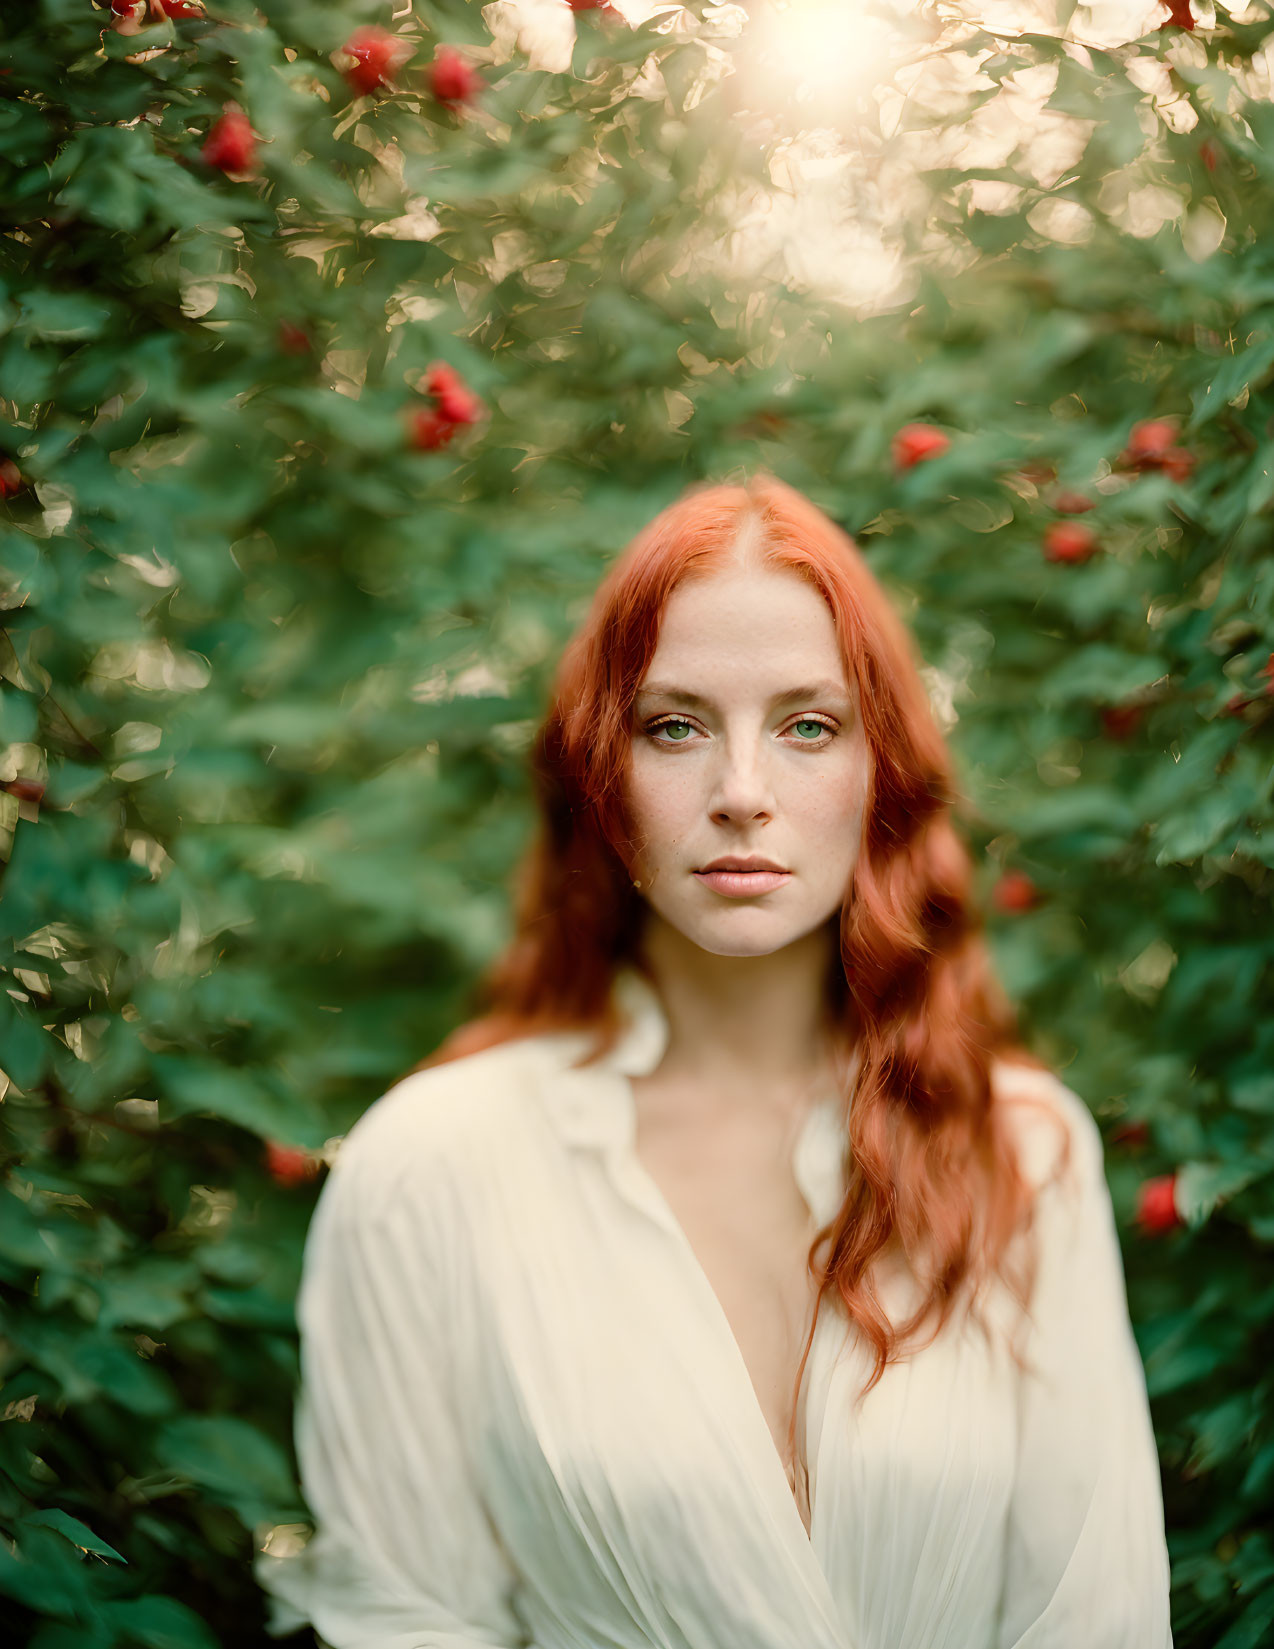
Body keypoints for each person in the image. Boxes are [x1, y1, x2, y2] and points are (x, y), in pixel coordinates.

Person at [256, 474, 1174, 1648]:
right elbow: (407, 1620)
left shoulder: (1018, 1146)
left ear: (878, 772)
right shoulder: (435, 1165)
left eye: (806, 725)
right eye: (674, 725)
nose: (741, 794)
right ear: (602, 773)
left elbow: (1096, 1621)